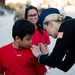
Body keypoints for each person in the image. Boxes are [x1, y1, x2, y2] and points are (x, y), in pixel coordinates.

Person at [30, 8, 75, 72]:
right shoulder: (69, 27)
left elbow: (53, 61)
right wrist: (46, 55)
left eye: (45, 29)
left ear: (50, 23)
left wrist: (39, 55)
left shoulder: (66, 26)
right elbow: (65, 66)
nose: (47, 34)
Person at [25, 5, 51, 73]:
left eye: (35, 15)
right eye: (30, 15)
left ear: (38, 15)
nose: (33, 17)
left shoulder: (43, 30)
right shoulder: (23, 31)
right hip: (27, 66)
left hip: (40, 65)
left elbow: (46, 48)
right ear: (26, 17)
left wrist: (49, 62)